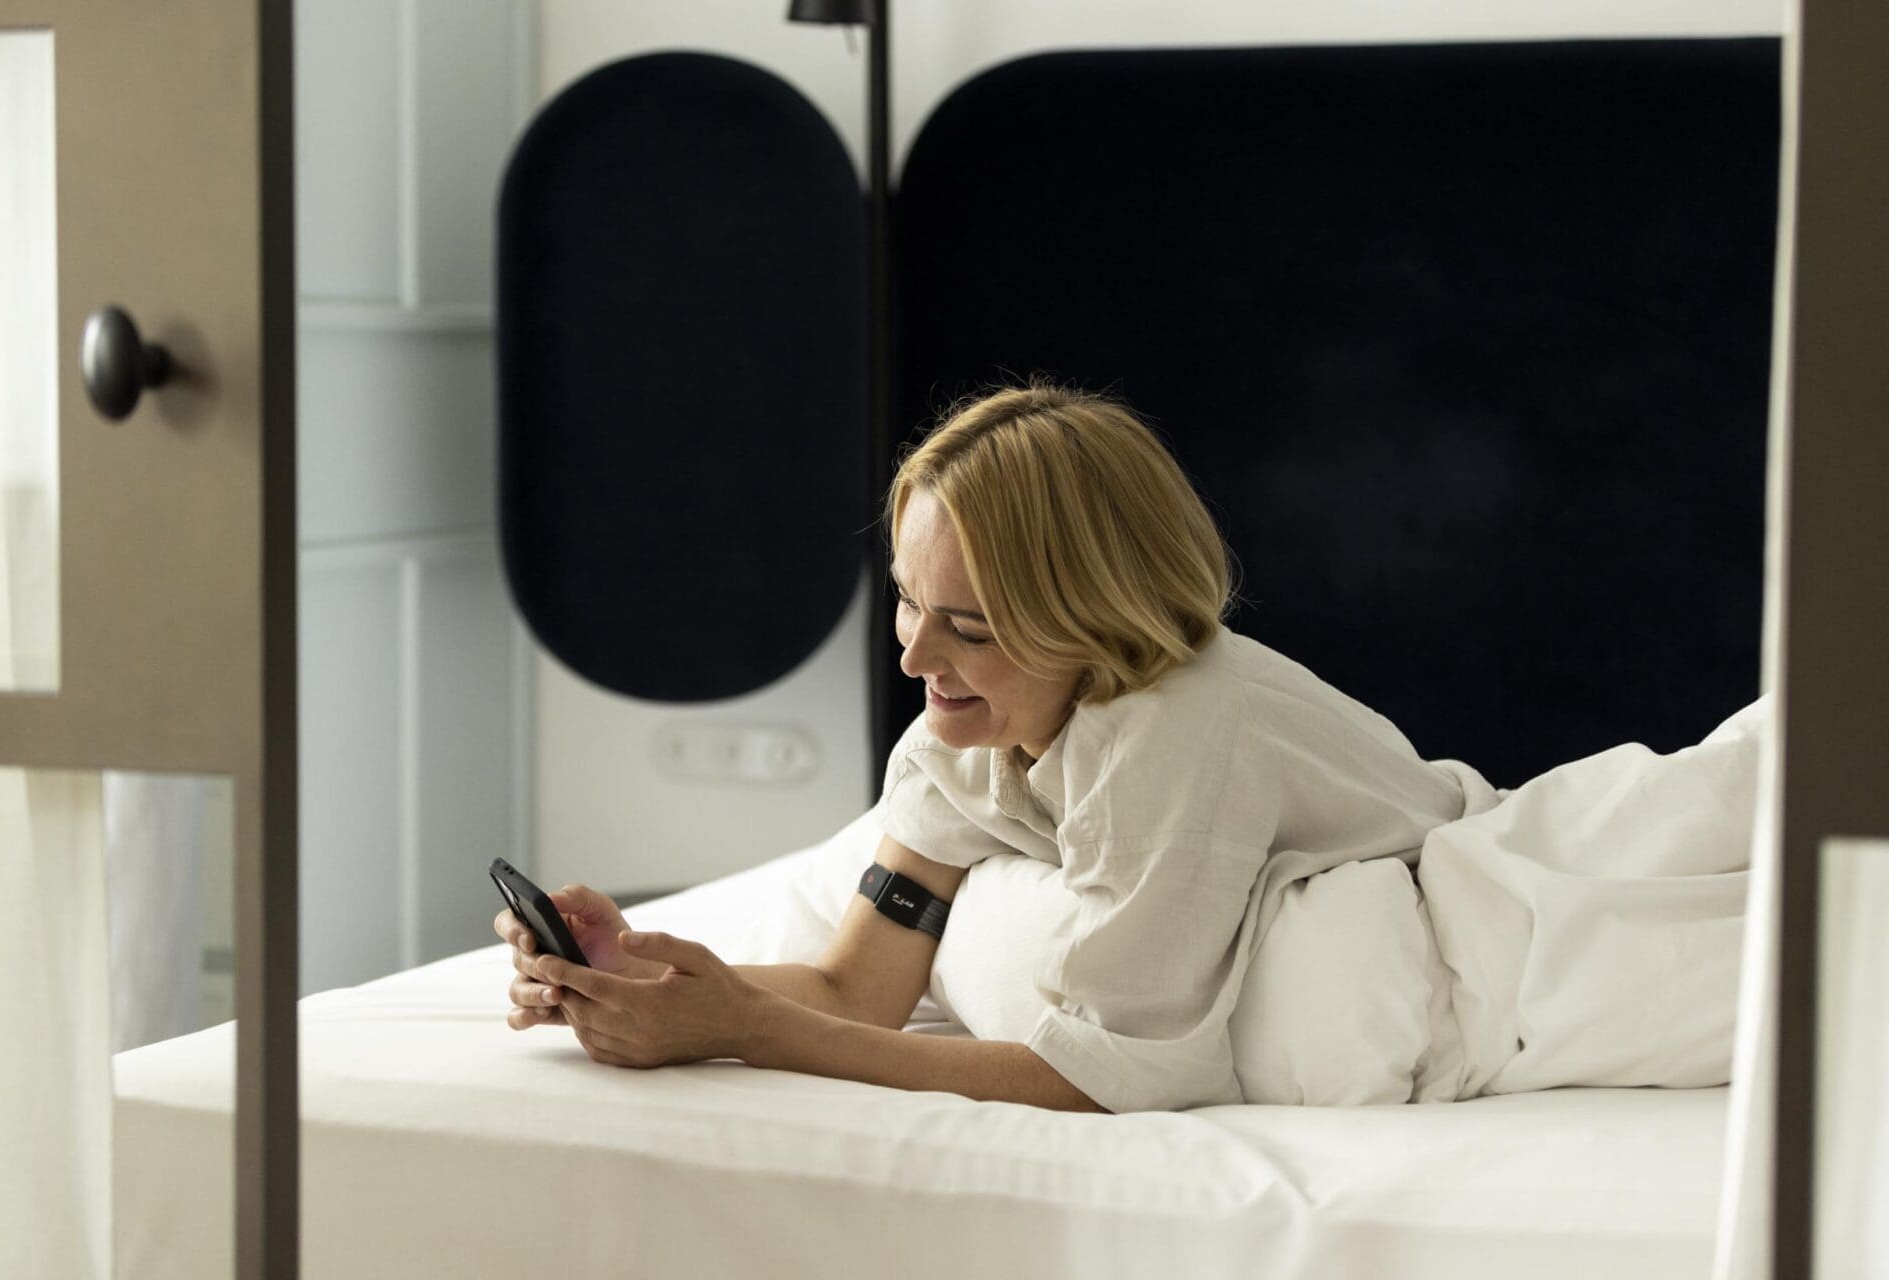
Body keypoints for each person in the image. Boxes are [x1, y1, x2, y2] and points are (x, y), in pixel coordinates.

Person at [494, 380, 1501, 1114]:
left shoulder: (1172, 734)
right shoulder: (963, 737)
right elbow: (857, 989)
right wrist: (632, 974)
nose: (916, 656)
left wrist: (749, 1031)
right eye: (908, 601)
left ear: (1093, 617)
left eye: (970, 628)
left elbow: (1101, 1076)